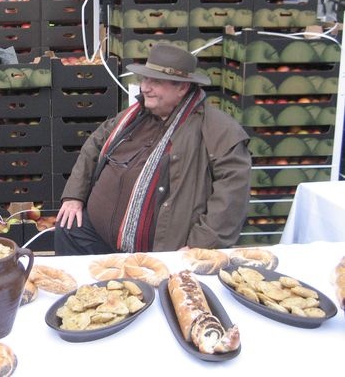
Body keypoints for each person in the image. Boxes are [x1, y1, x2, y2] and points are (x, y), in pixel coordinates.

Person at [55, 44, 251, 256]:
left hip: (159, 248)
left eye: (155, 82)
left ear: (182, 88)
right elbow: (94, 145)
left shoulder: (218, 130)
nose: (145, 88)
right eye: (144, 79)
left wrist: (201, 244)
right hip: (97, 232)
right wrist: (74, 196)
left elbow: (232, 193)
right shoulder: (135, 115)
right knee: (69, 228)